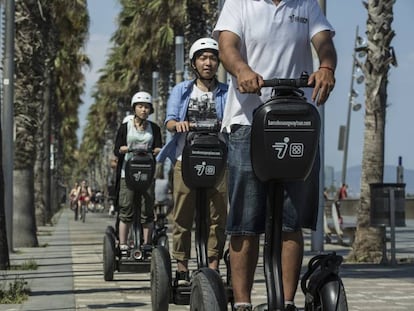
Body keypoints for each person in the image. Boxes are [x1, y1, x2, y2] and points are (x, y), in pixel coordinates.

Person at [213, 1, 337, 310]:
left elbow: (324, 41)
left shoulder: (305, 4)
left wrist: (326, 67)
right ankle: (242, 303)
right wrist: (242, 70)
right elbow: (227, 45)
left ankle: (286, 302)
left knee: (291, 219)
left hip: (297, 118)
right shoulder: (240, 3)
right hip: (248, 119)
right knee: (245, 219)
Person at [157, 37, 228, 286]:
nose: (208, 62)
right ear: (194, 63)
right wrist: (178, 124)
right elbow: (169, 120)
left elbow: (234, 121)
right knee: (182, 215)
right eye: (202, 57)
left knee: (218, 215)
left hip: (218, 160)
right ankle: (182, 269)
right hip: (184, 159)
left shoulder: (227, 93)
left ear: (218, 62)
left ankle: (213, 267)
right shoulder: (182, 90)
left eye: (212, 58)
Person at [114, 91, 162, 256]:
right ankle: (123, 244)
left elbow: (158, 147)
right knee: (126, 208)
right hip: (127, 173)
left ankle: (147, 243)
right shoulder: (125, 127)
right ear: (134, 108)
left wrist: (155, 150)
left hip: (147, 173)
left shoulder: (154, 128)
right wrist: (124, 149)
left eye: (147, 107)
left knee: (147, 210)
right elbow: (117, 148)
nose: (144, 110)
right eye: (140, 107)